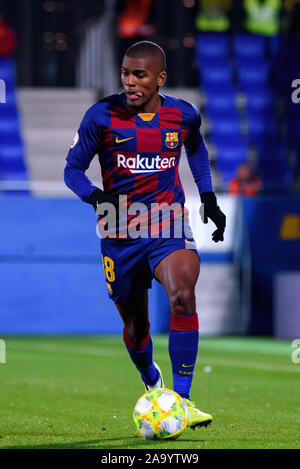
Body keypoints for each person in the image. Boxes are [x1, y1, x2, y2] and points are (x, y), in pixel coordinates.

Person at [64, 41, 226, 429]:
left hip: (167, 220)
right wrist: (96, 196)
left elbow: (196, 150)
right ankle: (152, 380)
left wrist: (208, 197)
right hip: (119, 230)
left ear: (160, 79)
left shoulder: (183, 115)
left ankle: (181, 400)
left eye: (140, 75)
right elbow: (71, 170)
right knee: (136, 327)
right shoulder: (101, 115)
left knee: (184, 293)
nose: (130, 82)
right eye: (125, 73)